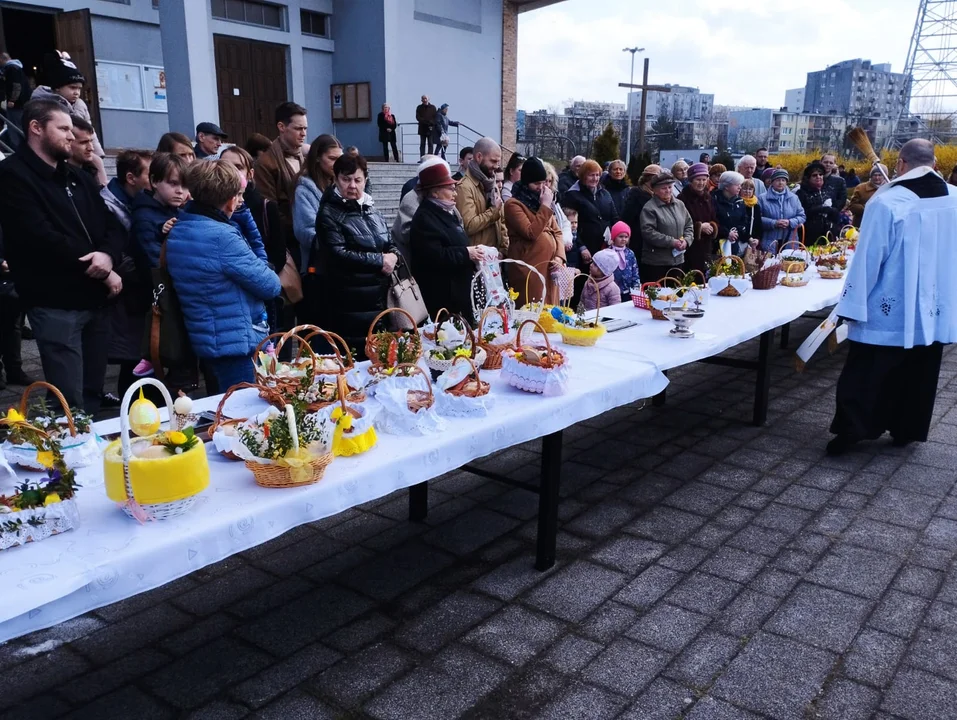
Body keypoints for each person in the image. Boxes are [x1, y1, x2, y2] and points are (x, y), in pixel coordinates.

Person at [828, 139, 957, 455]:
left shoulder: (887, 202)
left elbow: (869, 258)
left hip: (889, 303)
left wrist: (851, 305)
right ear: (935, 165)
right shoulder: (954, 200)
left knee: (868, 371)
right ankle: (906, 429)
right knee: (919, 370)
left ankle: (853, 431)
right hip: (933, 305)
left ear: (900, 165)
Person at [0, 100, 125, 412]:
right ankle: (63, 457)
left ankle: (92, 454)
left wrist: (108, 256)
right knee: (68, 400)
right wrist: (103, 268)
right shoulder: (13, 176)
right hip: (55, 302)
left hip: (95, 300)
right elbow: (41, 238)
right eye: (64, 128)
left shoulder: (77, 177)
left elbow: (112, 224)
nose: (72, 136)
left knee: (93, 394)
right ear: (36, 128)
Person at [166, 160, 279, 390]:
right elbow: (270, 285)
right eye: (239, 195)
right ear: (229, 201)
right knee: (242, 414)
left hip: (209, 338)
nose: (240, 201)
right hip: (236, 344)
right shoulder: (222, 237)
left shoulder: (181, 227)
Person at [101, 150, 154, 395]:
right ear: (132, 178)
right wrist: (145, 271)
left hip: (135, 290)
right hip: (125, 292)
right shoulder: (108, 205)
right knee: (130, 358)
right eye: (150, 175)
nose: (154, 181)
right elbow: (117, 255)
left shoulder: (137, 203)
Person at [410, 158, 485, 319]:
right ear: (434, 191)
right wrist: (466, 253)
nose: (455, 193)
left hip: (457, 294)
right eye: (450, 189)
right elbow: (435, 256)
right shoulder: (425, 218)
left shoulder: (445, 212)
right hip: (442, 299)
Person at [503, 156, 567, 307]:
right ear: (526, 182)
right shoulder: (513, 204)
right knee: (533, 311)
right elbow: (531, 233)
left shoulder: (540, 201)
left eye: (543, 182)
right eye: (536, 183)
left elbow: (557, 232)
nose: (541, 187)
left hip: (549, 268)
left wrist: (559, 257)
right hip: (529, 268)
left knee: (552, 311)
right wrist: (545, 205)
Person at [254, 102, 309, 248]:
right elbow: (270, 209)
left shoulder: (306, 159)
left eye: (305, 128)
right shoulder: (266, 163)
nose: (303, 133)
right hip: (287, 239)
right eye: (298, 128)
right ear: (281, 127)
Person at [32, 52, 104, 161]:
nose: (77, 92)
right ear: (57, 87)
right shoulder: (45, 104)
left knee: (97, 162)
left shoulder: (80, 104)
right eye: (72, 88)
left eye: (79, 89)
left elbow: (89, 129)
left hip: (82, 151)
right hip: (58, 152)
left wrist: (98, 152)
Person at [293, 134, 342, 273]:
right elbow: (305, 232)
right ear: (318, 158)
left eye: (340, 159)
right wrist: (339, 242)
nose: (337, 164)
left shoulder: (339, 184)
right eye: (332, 159)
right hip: (318, 267)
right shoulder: (304, 189)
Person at [132, 152, 189, 270]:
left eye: (185, 186)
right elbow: (155, 262)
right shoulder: (144, 219)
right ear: (154, 181)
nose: (180, 191)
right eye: (173, 183)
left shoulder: (179, 211)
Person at [561, 159, 618, 267]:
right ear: (583, 176)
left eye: (597, 175)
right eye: (591, 175)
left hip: (606, 247)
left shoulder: (605, 193)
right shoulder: (572, 195)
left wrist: (616, 236)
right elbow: (569, 225)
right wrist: (581, 247)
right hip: (585, 250)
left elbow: (614, 217)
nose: (595, 178)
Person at [456, 137, 508, 253]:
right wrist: (493, 211)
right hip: (477, 259)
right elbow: (468, 226)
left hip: (494, 257)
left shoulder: (491, 183)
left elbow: (502, 222)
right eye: (493, 161)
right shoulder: (464, 187)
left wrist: (504, 250)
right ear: (479, 157)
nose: (496, 166)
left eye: (498, 162)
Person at [638, 172, 692, 282]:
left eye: (670, 187)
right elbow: (648, 232)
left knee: (676, 295)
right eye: (663, 188)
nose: (668, 191)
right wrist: (672, 242)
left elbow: (688, 225)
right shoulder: (649, 208)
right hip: (657, 262)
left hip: (678, 259)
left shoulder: (680, 205)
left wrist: (687, 240)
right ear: (655, 190)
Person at [678, 162, 718, 274]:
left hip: (706, 245)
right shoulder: (682, 198)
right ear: (691, 180)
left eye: (704, 180)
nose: (701, 183)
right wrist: (699, 227)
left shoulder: (708, 197)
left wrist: (712, 225)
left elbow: (714, 217)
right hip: (690, 247)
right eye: (698, 180)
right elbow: (681, 222)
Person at [758, 168, 805, 252]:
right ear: (772, 182)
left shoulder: (794, 198)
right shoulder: (762, 198)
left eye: (783, 180)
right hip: (770, 240)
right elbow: (758, 218)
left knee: (788, 263)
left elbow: (802, 216)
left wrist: (790, 222)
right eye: (777, 180)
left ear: (786, 182)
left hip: (790, 240)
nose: (780, 183)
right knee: (771, 264)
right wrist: (774, 223)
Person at [622, 164, 662, 259]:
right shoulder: (636, 194)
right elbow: (627, 217)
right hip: (639, 239)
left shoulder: (657, 195)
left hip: (654, 240)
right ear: (648, 179)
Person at [797, 162, 841, 242]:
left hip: (828, 232)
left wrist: (833, 211)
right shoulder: (801, 193)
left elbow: (836, 210)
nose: (818, 177)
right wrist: (820, 209)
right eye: (814, 175)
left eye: (820, 175)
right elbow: (801, 213)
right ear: (808, 178)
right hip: (809, 234)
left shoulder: (829, 191)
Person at [712, 170, 746, 258]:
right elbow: (713, 221)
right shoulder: (713, 200)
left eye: (740, 185)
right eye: (737, 185)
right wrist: (727, 233)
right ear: (726, 186)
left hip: (733, 244)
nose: (740, 187)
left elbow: (743, 220)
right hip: (717, 246)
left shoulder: (739, 202)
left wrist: (737, 232)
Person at [0, 52, 31, 149]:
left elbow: (16, 86)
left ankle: (18, 150)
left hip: (16, 105)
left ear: (1, 60)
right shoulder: (18, 67)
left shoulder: (11, 69)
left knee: (15, 128)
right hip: (23, 103)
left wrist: (12, 100)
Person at [543, 161, 573, 258]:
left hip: (559, 250)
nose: (547, 185)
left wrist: (565, 240)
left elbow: (565, 223)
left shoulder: (554, 201)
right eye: (544, 181)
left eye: (549, 181)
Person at [67, 117, 107, 187]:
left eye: (91, 141)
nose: (91, 148)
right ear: (68, 141)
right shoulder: (59, 176)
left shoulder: (93, 168)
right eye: (83, 142)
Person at [606, 221, 639, 300]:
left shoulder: (630, 253)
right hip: (612, 292)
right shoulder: (608, 253)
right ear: (614, 237)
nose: (624, 239)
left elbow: (635, 272)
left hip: (628, 291)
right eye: (620, 236)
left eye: (626, 237)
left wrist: (636, 288)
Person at [739, 179, 763, 255]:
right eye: (745, 189)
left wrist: (757, 239)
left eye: (750, 189)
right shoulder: (737, 203)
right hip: (740, 241)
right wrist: (748, 238)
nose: (747, 191)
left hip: (753, 243)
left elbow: (759, 225)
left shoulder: (756, 206)